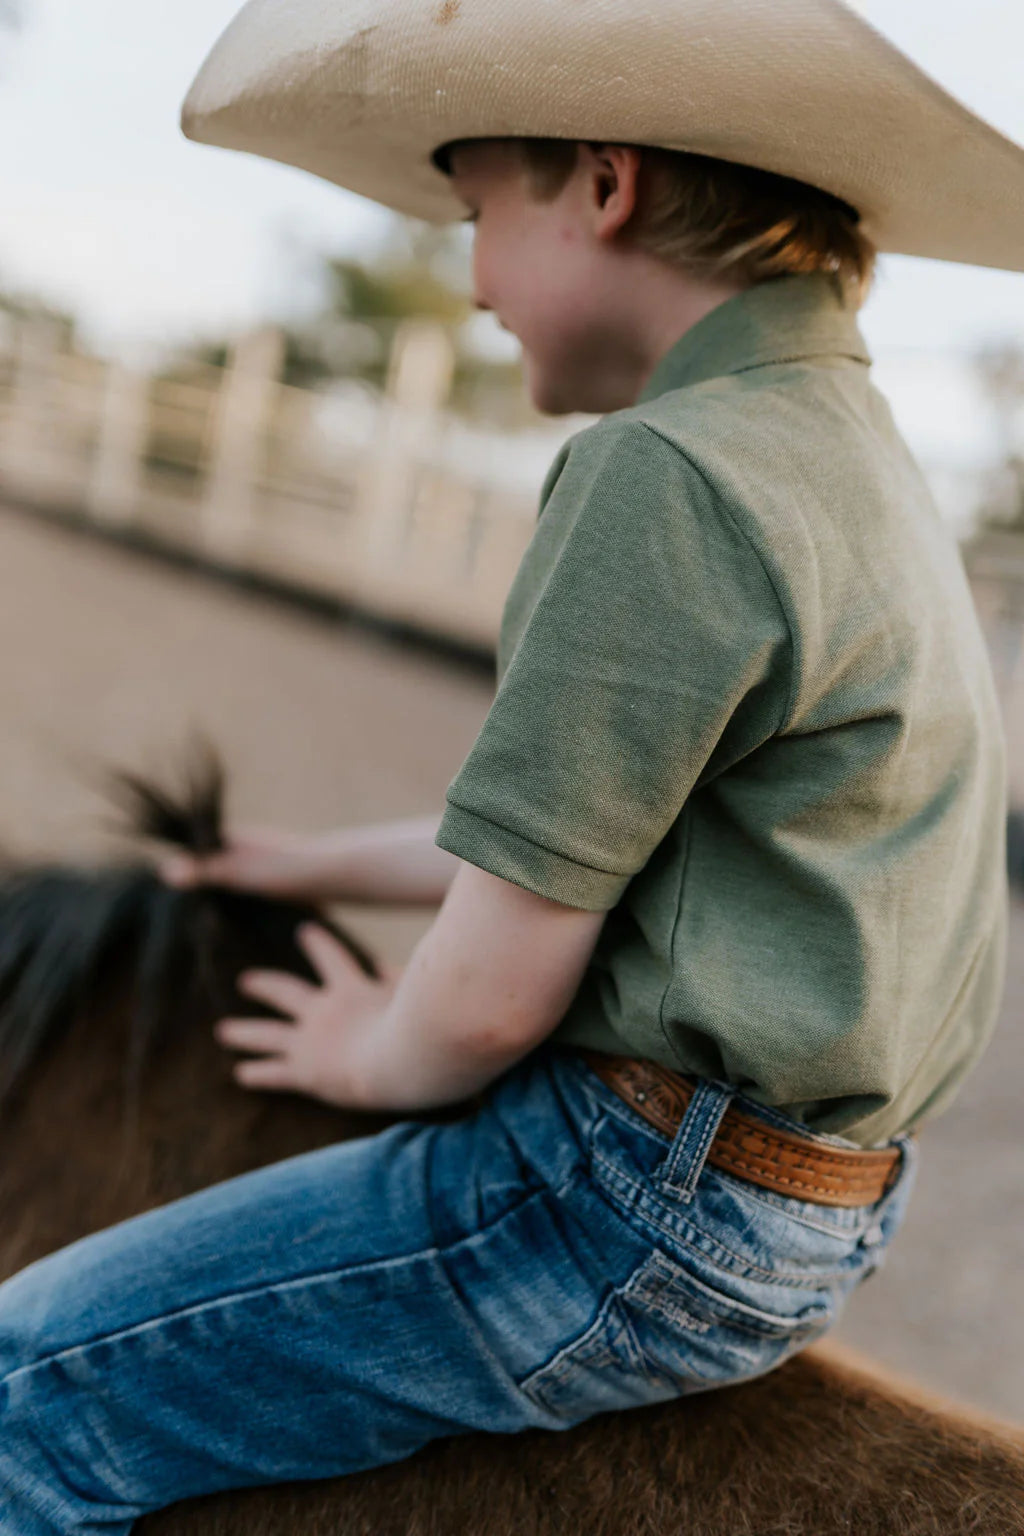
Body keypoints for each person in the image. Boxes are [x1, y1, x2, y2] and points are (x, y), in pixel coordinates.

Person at [1, 1, 1019, 1528]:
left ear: (603, 185)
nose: (472, 279)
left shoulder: (662, 471)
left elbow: (481, 998)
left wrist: (370, 1054)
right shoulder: (845, 462)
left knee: (28, 1396)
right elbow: (567, 846)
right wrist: (300, 864)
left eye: (478, 211)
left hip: (612, 1202)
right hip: (805, 1215)